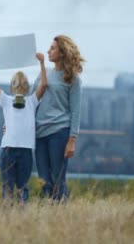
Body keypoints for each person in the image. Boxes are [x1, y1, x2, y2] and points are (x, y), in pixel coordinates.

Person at [0, 51, 47, 204]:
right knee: (7, 188)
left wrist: (42, 63)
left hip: (25, 151)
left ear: (27, 86)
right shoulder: (6, 100)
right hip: (8, 150)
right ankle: (7, 219)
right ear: (12, 86)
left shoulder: (32, 101)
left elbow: (44, 84)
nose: (20, 85)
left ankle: (21, 219)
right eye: (16, 83)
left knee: (22, 188)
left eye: (23, 83)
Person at [32, 35, 85, 202]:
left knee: (57, 178)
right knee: (43, 180)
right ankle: (49, 214)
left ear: (62, 53)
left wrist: (72, 141)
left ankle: (62, 215)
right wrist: (13, 124)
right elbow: (31, 101)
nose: (48, 51)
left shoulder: (74, 80)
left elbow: (76, 112)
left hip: (59, 133)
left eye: (53, 48)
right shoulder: (43, 74)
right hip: (39, 134)